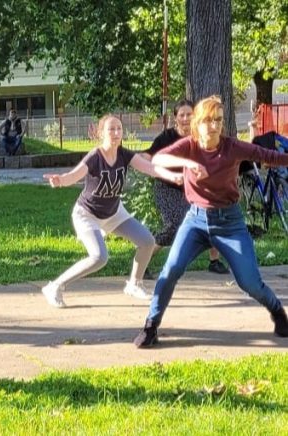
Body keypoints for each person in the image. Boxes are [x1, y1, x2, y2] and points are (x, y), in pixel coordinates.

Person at [133, 96, 288, 348]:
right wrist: (188, 163)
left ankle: (277, 311)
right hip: (195, 221)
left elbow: (267, 154)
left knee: (249, 281)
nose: (214, 125)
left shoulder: (232, 147)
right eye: (208, 120)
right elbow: (158, 159)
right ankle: (151, 325)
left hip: (230, 222)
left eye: (218, 120)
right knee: (171, 269)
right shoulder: (189, 146)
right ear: (197, 122)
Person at [40, 115, 183, 308]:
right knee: (99, 257)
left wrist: (173, 176)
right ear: (100, 133)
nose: (116, 133)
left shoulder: (124, 154)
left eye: (119, 129)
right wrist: (60, 180)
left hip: (115, 213)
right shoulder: (95, 156)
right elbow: (74, 176)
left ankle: (134, 284)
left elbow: (151, 168)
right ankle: (55, 286)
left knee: (147, 241)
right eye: (111, 129)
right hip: (87, 215)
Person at [144, 100, 229, 275]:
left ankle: (214, 261)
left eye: (188, 114)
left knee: (213, 216)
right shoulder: (166, 138)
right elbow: (149, 156)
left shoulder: (201, 137)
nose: (185, 118)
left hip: (195, 187)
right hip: (167, 187)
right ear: (176, 118)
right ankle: (143, 261)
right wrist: (137, 160)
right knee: (175, 223)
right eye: (181, 115)